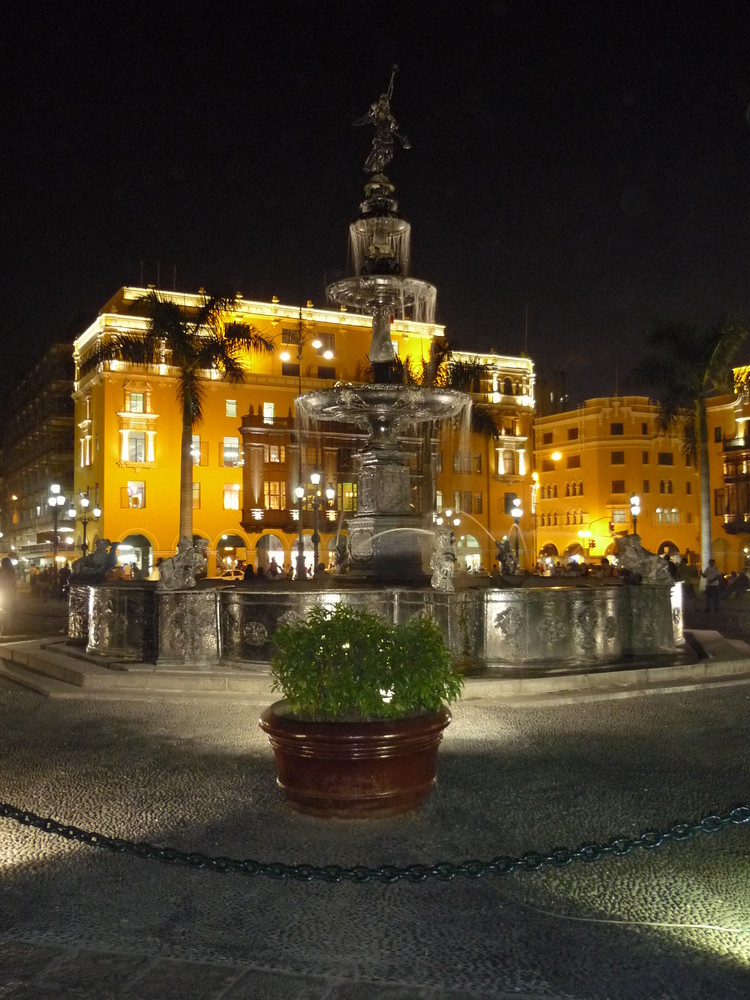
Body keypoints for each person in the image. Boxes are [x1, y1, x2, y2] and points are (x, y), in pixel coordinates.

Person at [0, 557, 17, 632]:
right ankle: (7, 626)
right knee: (8, 609)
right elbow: (14, 584)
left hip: (4, 591)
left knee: (6, 609)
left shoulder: (7, 571)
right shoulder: (11, 572)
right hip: (7, 592)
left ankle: (6, 626)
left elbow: (13, 583)